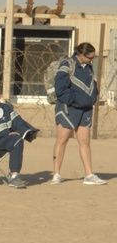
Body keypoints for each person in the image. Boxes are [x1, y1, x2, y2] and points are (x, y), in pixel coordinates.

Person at [51, 43, 104, 185]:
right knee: (62, 140)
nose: (91, 60)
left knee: (85, 141)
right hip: (68, 109)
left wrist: (93, 96)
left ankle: (89, 174)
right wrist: (74, 100)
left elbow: (91, 84)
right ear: (81, 55)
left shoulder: (88, 66)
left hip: (86, 109)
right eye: (89, 57)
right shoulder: (67, 65)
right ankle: (56, 174)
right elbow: (60, 88)